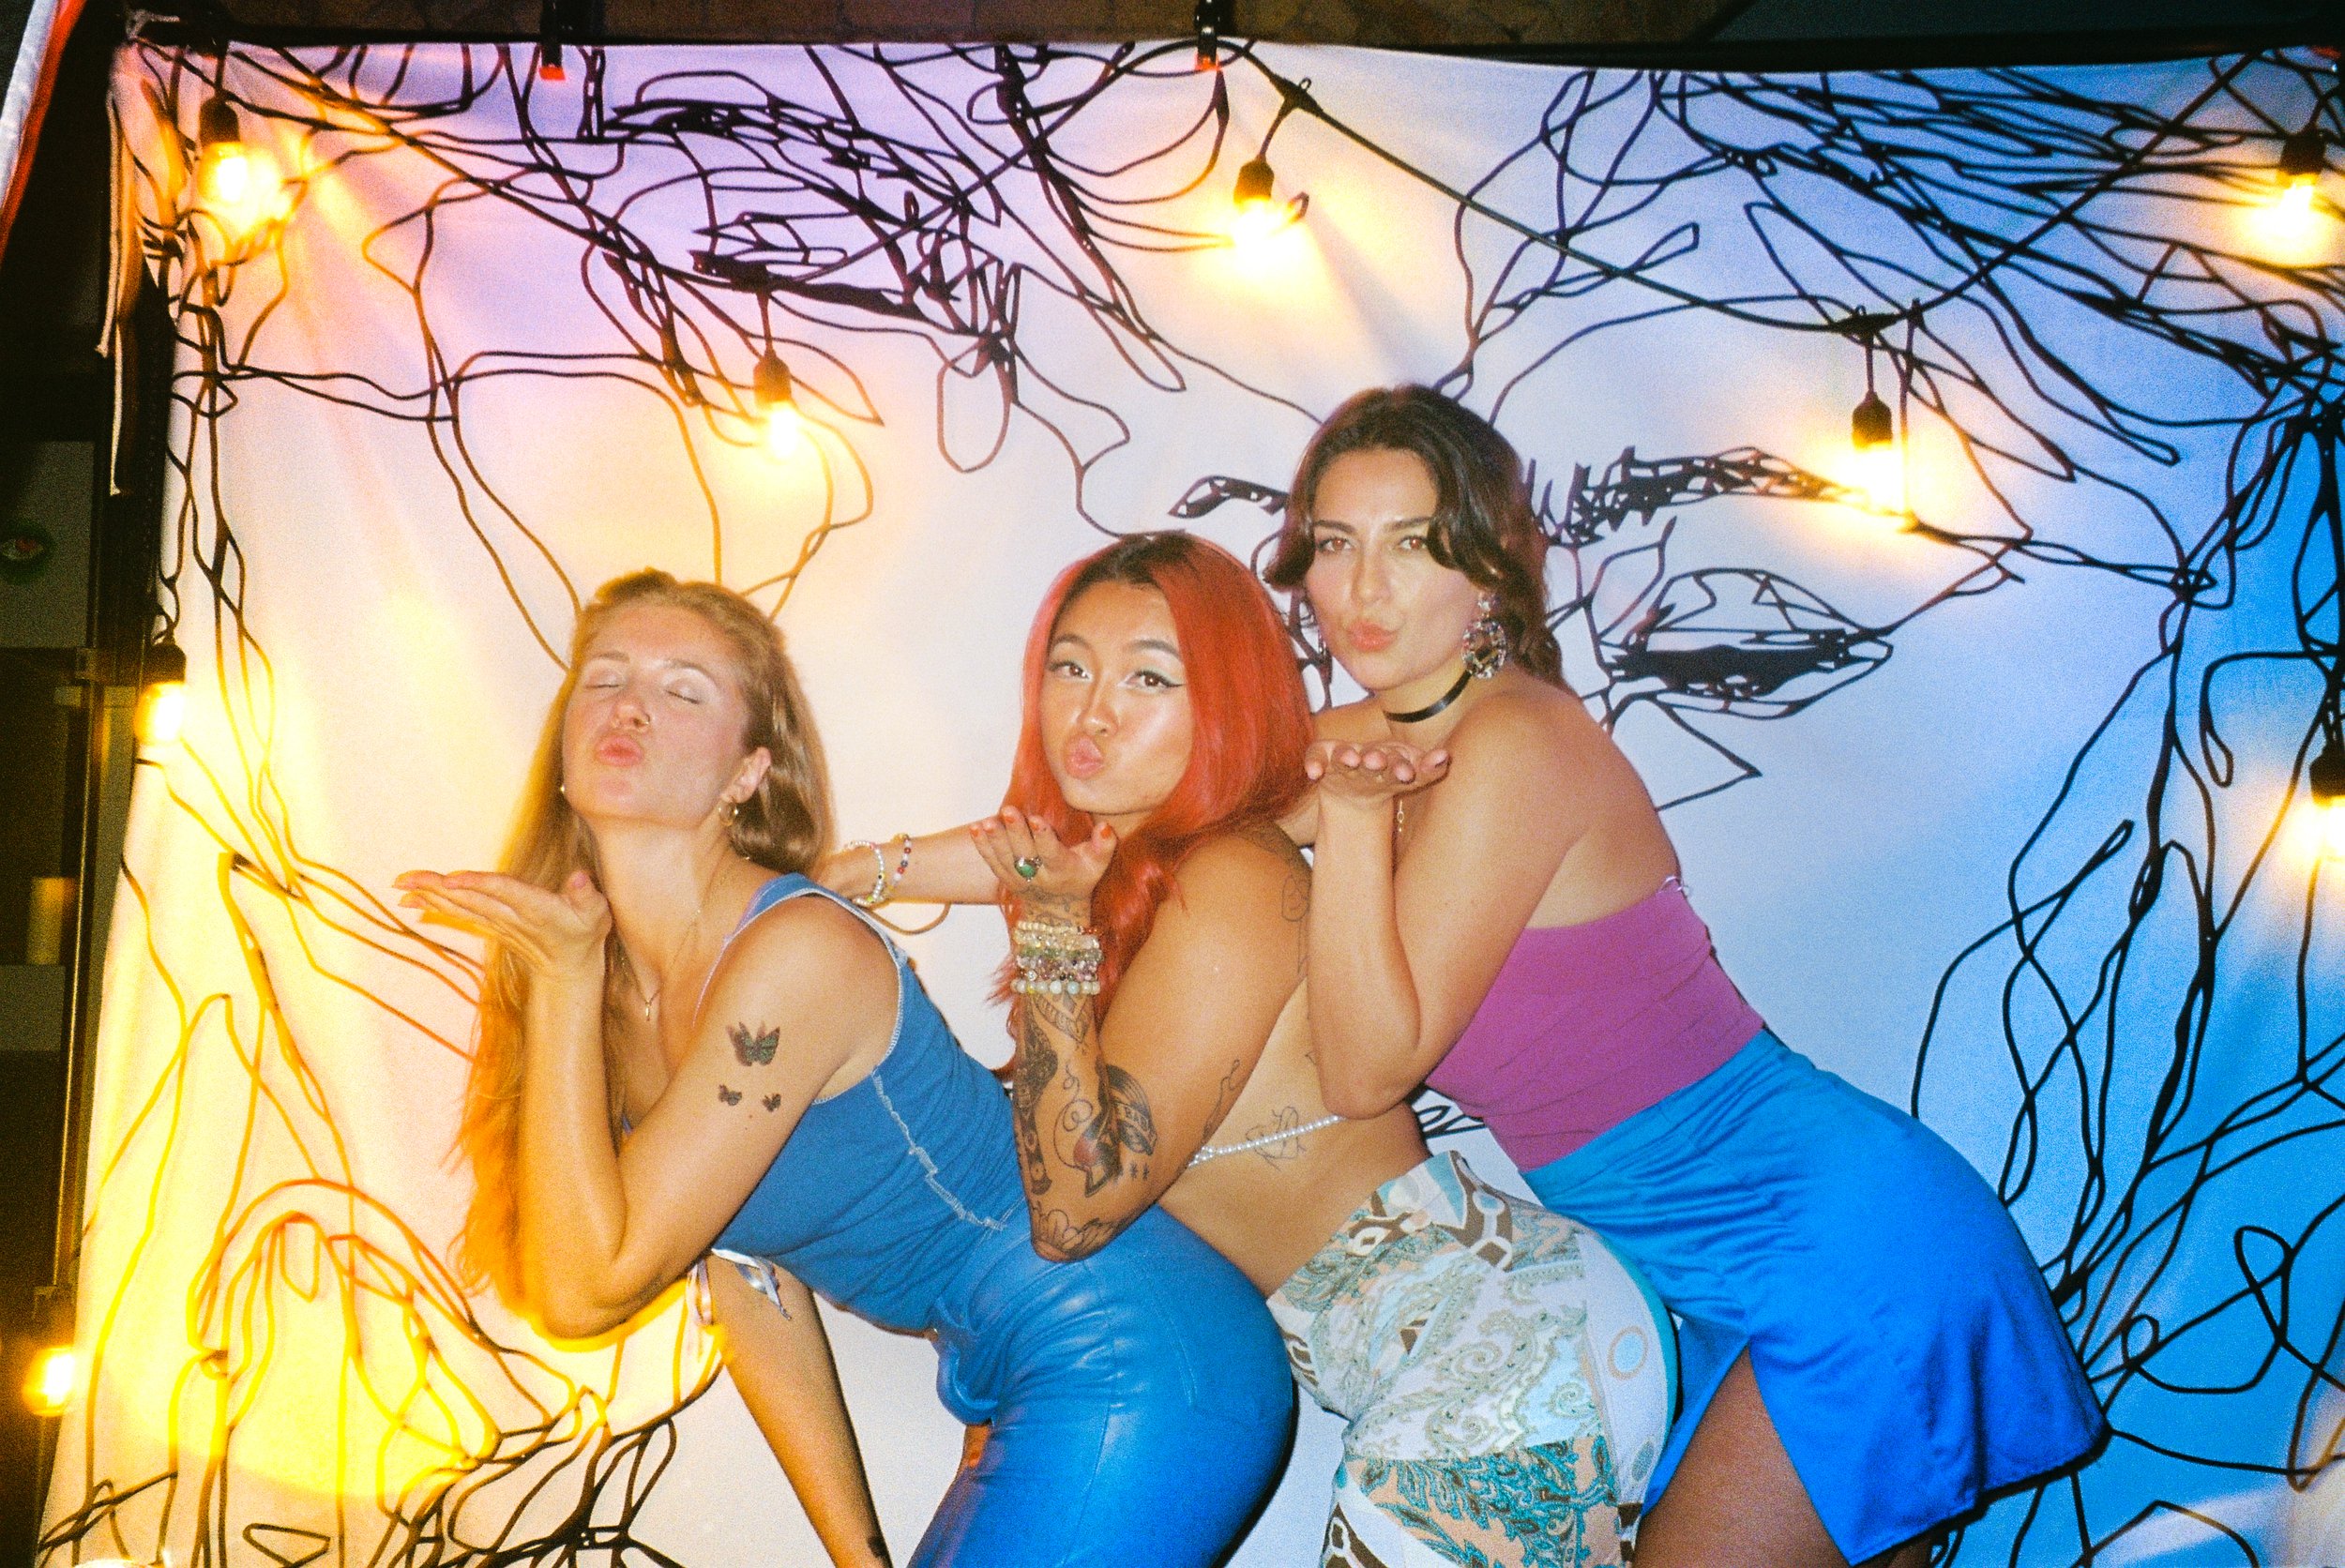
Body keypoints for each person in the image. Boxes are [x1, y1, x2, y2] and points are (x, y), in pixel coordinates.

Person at [1263, 385, 2108, 1568]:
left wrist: (1350, 824)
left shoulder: (1513, 741)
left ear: (1489, 567)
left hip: (1829, 1240)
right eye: (1335, 543)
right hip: (1684, 1272)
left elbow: (1363, 1070)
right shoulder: (1370, 741)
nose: (1363, 588)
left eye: (1412, 543)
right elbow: (1190, 828)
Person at [395, 569, 1292, 1568]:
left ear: (747, 773)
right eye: (604, 678)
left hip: (1134, 1350)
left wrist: (563, 981)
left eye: (684, 690)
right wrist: (856, 1557)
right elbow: (751, 1279)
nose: (631, 706)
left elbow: (585, 1294)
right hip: (1026, 1370)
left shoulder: (792, 954)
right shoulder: (611, 992)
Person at [816, 533, 1674, 1568]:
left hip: (1493, 1350)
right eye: (1070, 667)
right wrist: (844, 876)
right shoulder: (1146, 868)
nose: (1094, 712)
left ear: (1220, 703)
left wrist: (1048, 933)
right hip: (1498, 1339)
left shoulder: (1225, 879)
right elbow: (1017, 853)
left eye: (1148, 678)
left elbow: (1076, 1208)